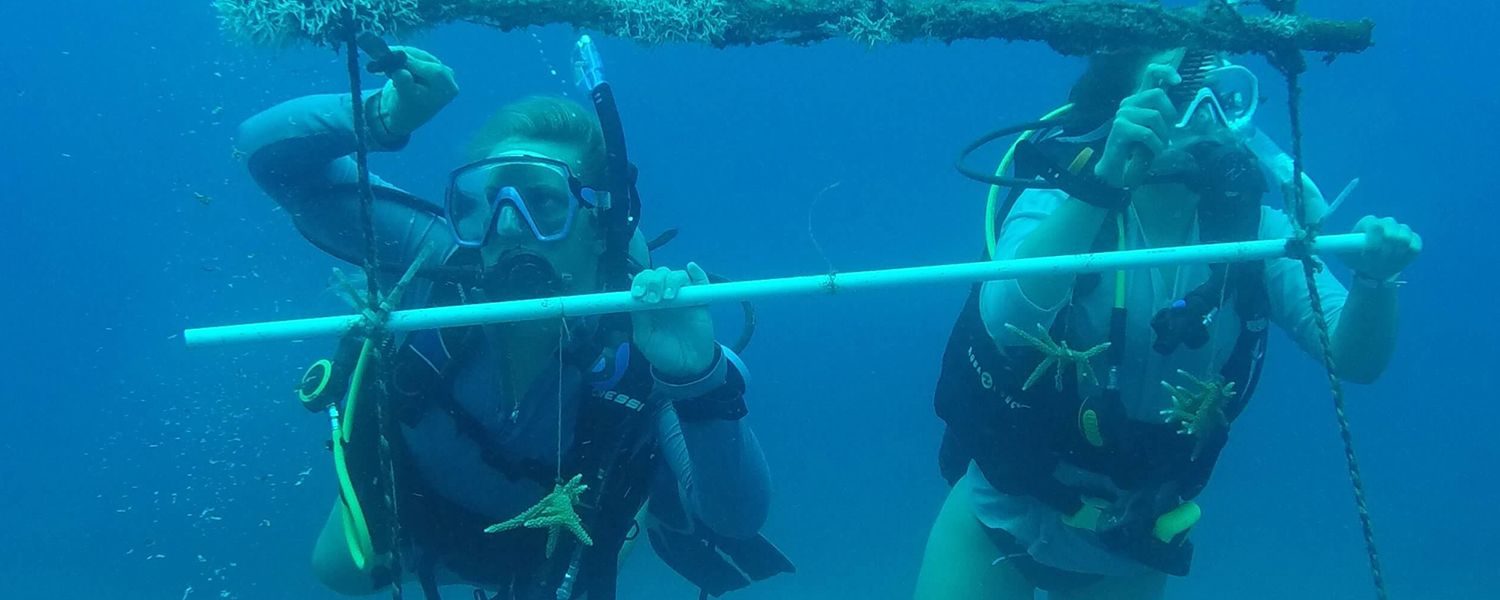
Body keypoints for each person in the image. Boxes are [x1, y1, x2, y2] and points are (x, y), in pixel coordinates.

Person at [236, 41, 791, 600]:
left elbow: (737, 521)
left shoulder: (649, 340)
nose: (507, 227)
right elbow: (269, 158)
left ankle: (634, 516)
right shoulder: (440, 260)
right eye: (487, 200)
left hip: (549, 545)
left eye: (542, 203)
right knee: (336, 570)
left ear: (599, 223)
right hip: (420, 513)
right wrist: (382, 117)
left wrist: (699, 381)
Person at [917, 48, 1422, 599]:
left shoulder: (1257, 235)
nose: (1201, 114)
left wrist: (1375, 283)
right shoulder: (1064, 200)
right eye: (1176, 95)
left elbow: (1353, 358)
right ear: (1125, 109)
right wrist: (1104, 180)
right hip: (997, 519)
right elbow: (1004, 315)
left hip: (1130, 552)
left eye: (1221, 97)